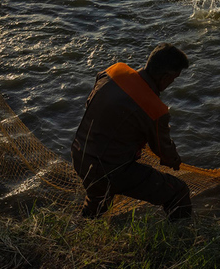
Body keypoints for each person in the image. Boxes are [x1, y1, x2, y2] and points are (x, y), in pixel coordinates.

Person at [71, 43, 192, 220]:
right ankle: (183, 239)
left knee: (98, 199)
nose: (172, 83)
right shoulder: (155, 109)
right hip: (110, 170)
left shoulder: (113, 71)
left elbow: (91, 102)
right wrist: (174, 161)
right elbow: (163, 150)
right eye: (174, 79)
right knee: (179, 191)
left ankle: (81, 225)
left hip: (79, 153)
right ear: (166, 76)